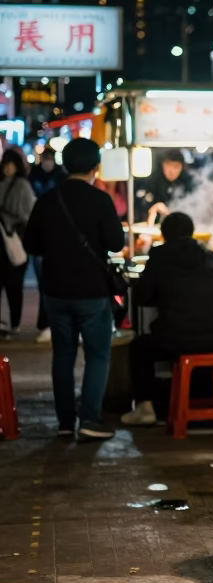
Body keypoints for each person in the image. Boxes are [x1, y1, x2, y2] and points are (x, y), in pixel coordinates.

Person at [22, 137, 124, 439]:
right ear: (96, 166)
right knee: (97, 354)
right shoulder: (100, 200)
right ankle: (90, 420)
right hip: (92, 291)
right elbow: (116, 243)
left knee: (63, 356)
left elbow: (31, 245)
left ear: (65, 165)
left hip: (56, 290)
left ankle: (65, 423)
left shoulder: (48, 200)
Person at [123, 212, 213, 426]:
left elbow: (141, 297)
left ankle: (146, 408)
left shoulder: (158, 256)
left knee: (139, 347)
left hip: (175, 339)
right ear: (192, 233)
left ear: (163, 234)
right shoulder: (209, 256)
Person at [27, 147, 67, 343]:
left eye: (50, 158)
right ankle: (46, 323)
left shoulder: (61, 177)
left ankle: (51, 323)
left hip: (55, 236)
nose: (47, 162)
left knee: (51, 283)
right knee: (44, 283)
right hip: (43, 237)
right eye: (45, 158)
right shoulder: (33, 175)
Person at [0, 149, 35, 337]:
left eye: (10, 163)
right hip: (3, 240)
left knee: (14, 286)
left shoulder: (22, 186)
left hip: (14, 240)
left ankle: (15, 323)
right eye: (4, 163)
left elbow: (28, 214)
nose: (6, 167)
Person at [137, 148, 194, 224]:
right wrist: (154, 208)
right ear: (162, 164)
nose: (172, 170)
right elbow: (139, 206)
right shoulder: (152, 181)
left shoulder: (188, 183)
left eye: (176, 166)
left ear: (182, 167)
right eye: (169, 165)